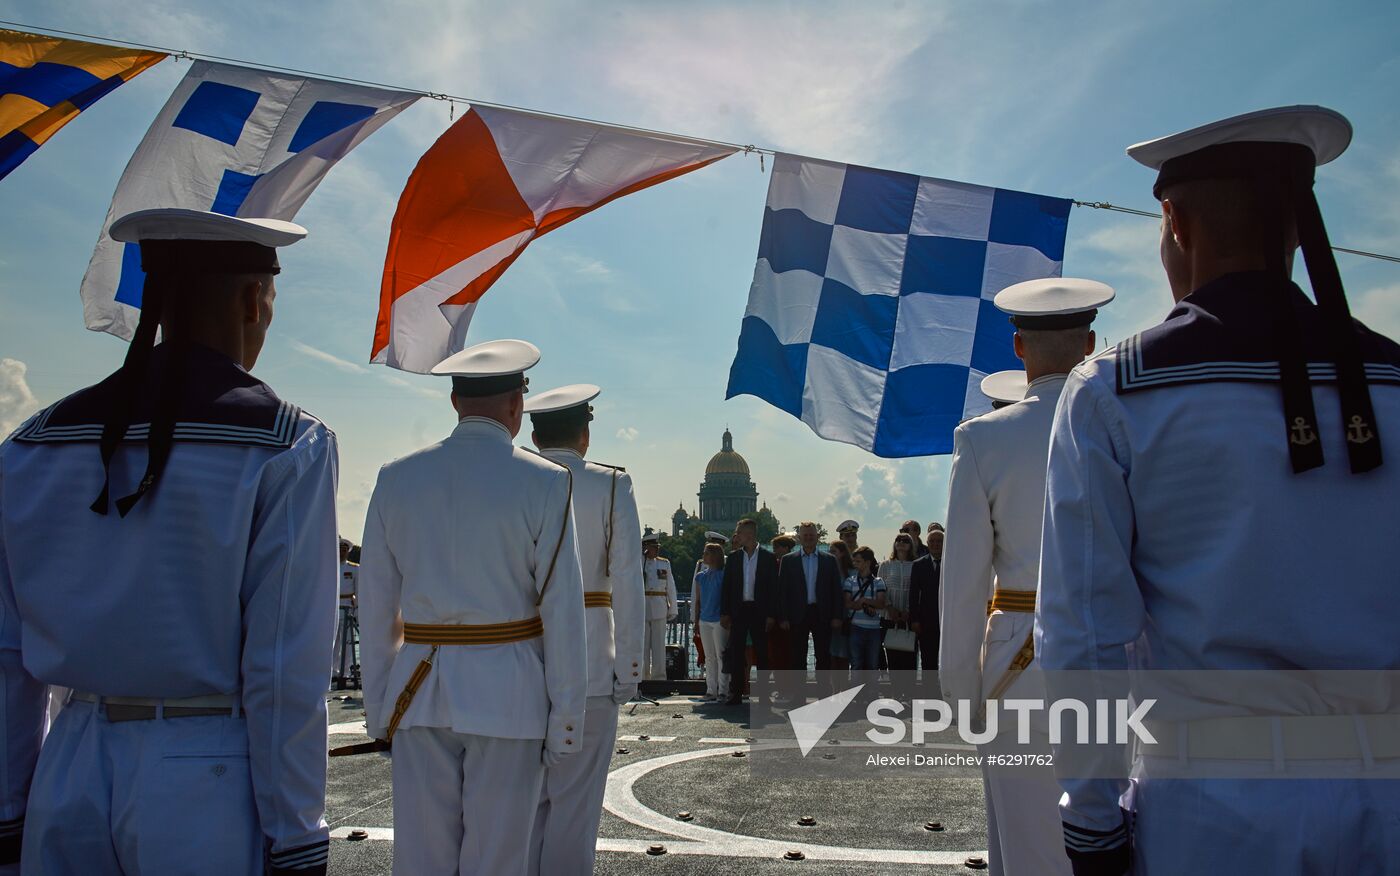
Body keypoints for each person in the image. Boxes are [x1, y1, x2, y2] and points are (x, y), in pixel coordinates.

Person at [1038, 106, 1400, 875]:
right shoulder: (1396, 380)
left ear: (1173, 221)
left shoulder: (1113, 390)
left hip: (1213, 805)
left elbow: (1086, 632)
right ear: (1296, 230)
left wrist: (1092, 825)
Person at [2, 209, 337, 874]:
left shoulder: (32, 444)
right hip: (203, 768)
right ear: (252, 300)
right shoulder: (287, 444)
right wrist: (296, 830)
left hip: (67, 765)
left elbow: (7, 653)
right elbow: (282, 664)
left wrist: (9, 807)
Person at [358, 339, 587, 876]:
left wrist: (380, 710)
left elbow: (374, 607)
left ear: (455, 402)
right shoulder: (548, 482)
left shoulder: (396, 478)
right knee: (499, 861)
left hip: (417, 694)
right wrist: (566, 720)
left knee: (420, 860)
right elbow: (563, 612)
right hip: (510, 699)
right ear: (517, 404)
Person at [942, 275, 1113, 876]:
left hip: (1020, 659)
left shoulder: (984, 438)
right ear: (1090, 341)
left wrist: (960, 695)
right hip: (1117, 653)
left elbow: (962, 587)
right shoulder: (1128, 424)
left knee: (1026, 839)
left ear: (1018, 347)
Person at [522, 383, 643, 875]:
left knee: (522, 812)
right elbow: (628, 582)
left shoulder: (514, 479)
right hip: (592, 662)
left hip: (520, 660)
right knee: (576, 812)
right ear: (584, 433)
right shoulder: (610, 484)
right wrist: (630, 667)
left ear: (533, 431)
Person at [777, 522, 843, 700]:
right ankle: (799, 695)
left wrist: (837, 616)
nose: (808, 538)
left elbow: (836, 590)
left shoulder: (829, 560)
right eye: (805, 535)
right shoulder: (788, 560)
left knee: (823, 657)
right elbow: (782, 591)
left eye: (811, 535)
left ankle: (824, 695)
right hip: (797, 614)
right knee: (798, 657)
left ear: (817, 537)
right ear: (799, 538)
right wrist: (782, 617)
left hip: (822, 614)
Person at [719, 518, 779, 705]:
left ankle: (763, 695)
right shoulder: (734, 558)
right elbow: (727, 588)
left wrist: (771, 615)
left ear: (749, 534)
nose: (736, 536)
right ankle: (736, 692)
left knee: (762, 654)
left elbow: (773, 589)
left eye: (739, 532)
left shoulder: (768, 558)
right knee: (737, 653)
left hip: (759, 611)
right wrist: (725, 612)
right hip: (739, 611)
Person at [843, 547, 886, 691]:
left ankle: (871, 695)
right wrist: (865, 603)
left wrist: (863, 601)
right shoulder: (850, 581)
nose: (855, 564)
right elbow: (847, 603)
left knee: (873, 665)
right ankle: (856, 696)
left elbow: (881, 603)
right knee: (856, 664)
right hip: (856, 627)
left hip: (874, 630)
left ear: (867, 563)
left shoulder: (879, 582)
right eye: (854, 561)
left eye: (858, 561)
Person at [692, 544, 728, 702]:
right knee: (709, 657)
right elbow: (698, 600)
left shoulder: (724, 575)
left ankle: (723, 690)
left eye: (706, 553)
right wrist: (696, 620)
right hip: (705, 619)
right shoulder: (700, 576)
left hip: (719, 619)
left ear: (715, 556)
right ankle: (711, 689)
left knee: (721, 655)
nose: (704, 556)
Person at [909, 524, 944, 682]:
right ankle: (930, 695)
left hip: (946, 621)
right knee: (928, 661)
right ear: (928, 544)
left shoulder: (951, 564)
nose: (936, 544)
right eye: (933, 541)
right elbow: (914, 594)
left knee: (946, 661)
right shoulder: (919, 565)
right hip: (926, 621)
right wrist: (914, 619)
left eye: (939, 541)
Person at [879, 534, 918, 672]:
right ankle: (896, 691)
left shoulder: (915, 565)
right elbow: (881, 587)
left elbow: (916, 590)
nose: (901, 543)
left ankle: (909, 692)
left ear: (911, 545)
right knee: (893, 655)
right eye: (898, 540)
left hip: (909, 616)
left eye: (906, 541)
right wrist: (889, 607)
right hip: (890, 615)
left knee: (910, 655)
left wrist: (908, 610)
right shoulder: (885, 565)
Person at [641, 531, 677, 680]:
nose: (656, 550)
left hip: (659, 607)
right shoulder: (638, 563)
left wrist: (673, 608)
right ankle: (643, 677)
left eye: (657, 547)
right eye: (653, 547)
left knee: (658, 647)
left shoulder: (664, 563)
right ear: (646, 548)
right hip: (642, 608)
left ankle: (659, 677)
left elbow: (670, 587)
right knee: (642, 646)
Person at [826, 540, 856, 680]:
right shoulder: (825, 569)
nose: (830, 554)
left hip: (847, 619)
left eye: (834, 551)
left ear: (842, 553)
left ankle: (843, 689)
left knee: (844, 655)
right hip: (829, 618)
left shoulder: (852, 572)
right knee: (831, 655)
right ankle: (834, 689)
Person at [334, 537, 359, 689]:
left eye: (344, 550)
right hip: (334, 608)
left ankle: (345, 671)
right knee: (333, 642)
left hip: (348, 608)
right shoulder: (330, 567)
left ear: (348, 551)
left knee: (348, 642)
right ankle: (333, 671)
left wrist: (357, 610)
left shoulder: (355, 569)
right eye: (340, 549)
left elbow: (359, 590)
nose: (342, 552)